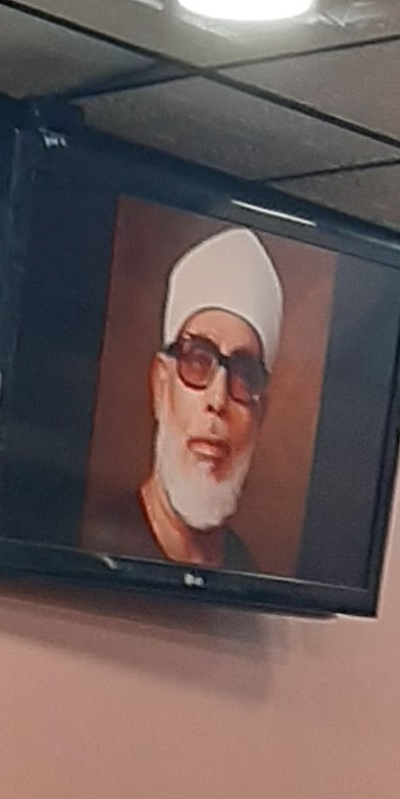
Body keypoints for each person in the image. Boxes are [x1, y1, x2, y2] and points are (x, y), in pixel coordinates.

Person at [88, 224, 283, 573]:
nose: (217, 400)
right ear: (161, 385)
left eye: (243, 374)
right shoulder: (95, 544)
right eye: (197, 361)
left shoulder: (247, 573)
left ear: (260, 417)